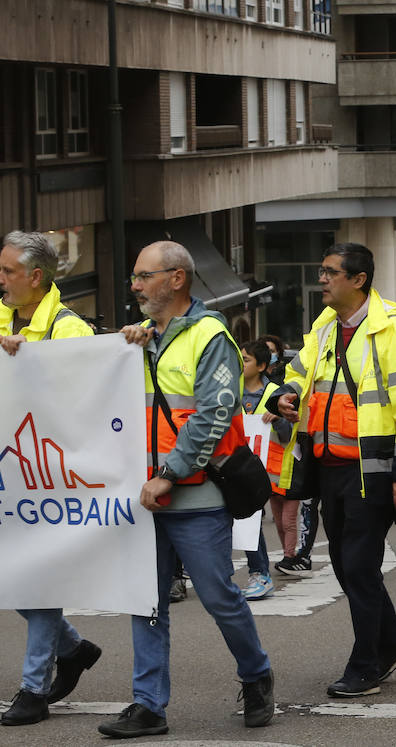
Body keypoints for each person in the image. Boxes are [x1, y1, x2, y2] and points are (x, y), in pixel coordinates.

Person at [101, 240, 274, 738]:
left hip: (193, 493)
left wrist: (168, 475)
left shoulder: (209, 334)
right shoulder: (142, 338)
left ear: (176, 279)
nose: (134, 285)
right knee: (146, 601)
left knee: (220, 596)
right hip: (146, 495)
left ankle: (256, 674)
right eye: (133, 277)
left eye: (143, 276)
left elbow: (214, 416)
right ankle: (148, 704)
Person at [269, 242, 396, 698]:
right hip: (327, 471)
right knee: (345, 564)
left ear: (358, 280)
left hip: (370, 472)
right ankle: (393, 641)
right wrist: (284, 395)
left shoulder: (393, 333)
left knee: (358, 565)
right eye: (321, 271)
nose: (321, 279)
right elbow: (297, 375)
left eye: (330, 272)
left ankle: (366, 663)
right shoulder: (325, 326)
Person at [0, 232, 102, 726]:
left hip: (49, 480)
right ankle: (74, 649)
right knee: (3, 578)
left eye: (6, 271)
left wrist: (31, 368)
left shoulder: (70, 330)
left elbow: (83, 401)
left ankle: (33, 688)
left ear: (36, 277)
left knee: (40, 579)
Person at [238, 340, 296, 601]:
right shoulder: (231, 391)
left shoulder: (276, 393)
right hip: (236, 468)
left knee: (252, 520)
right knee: (239, 522)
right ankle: (255, 572)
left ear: (262, 365)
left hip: (269, 469)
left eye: (247, 359)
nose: (241, 363)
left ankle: (260, 573)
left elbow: (288, 436)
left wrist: (280, 418)